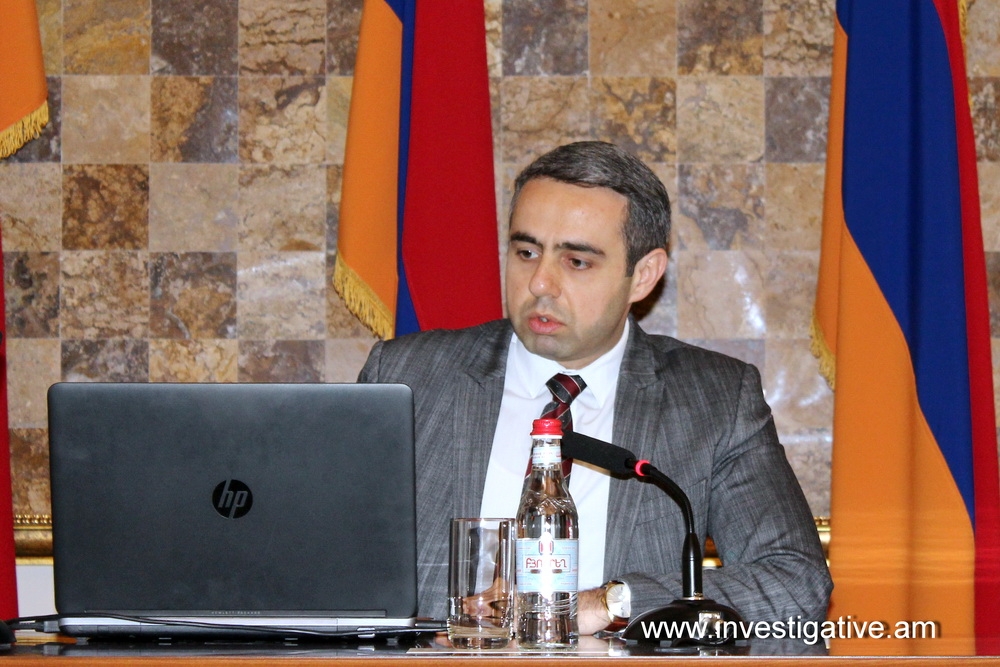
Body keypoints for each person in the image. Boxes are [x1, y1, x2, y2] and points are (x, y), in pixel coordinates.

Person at [359, 141, 832, 635]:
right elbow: (329, 562)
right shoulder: (410, 378)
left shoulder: (714, 400)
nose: (540, 283)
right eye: (526, 252)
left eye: (576, 262)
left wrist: (611, 602)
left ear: (642, 276)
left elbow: (795, 585)